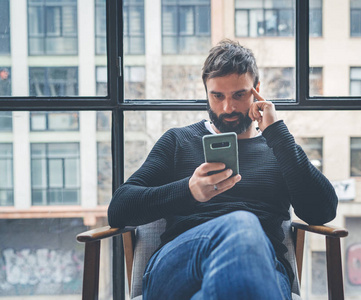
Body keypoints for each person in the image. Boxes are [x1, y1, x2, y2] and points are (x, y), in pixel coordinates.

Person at [108, 39, 338, 300]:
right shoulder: (178, 142)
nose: (228, 108)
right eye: (217, 96)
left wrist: (277, 134)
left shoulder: (278, 148)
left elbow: (322, 211)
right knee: (241, 224)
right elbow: (118, 209)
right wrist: (188, 191)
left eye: (239, 95)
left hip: (264, 268)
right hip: (179, 265)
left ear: (257, 92)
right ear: (206, 92)